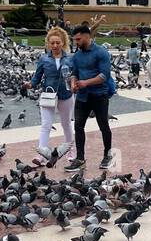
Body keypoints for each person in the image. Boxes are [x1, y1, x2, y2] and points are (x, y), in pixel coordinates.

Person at [65, 24, 115, 171]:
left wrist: (86, 82)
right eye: (74, 40)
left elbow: (104, 75)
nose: (76, 43)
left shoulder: (101, 52)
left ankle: (107, 155)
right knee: (78, 126)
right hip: (82, 97)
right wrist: (74, 83)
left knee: (103, 125)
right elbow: (75, 72)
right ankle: (80, 158)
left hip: (99, 95)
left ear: (87, 36)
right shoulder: (78, 55)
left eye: (79, 39)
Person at [27, 27, 74, 160]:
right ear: (48, 43)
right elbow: (37, 77)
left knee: (66, 124)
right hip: (48, 95)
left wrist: (76, 85)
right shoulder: (44, 59)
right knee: (46, 125)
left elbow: (75, 76)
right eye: (52, 43)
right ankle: (41, 155)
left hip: (66, 95)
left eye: (57, 43)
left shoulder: (70, 59)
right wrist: (30, 84)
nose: (54, 45)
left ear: (63, 43)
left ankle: (70, 152)